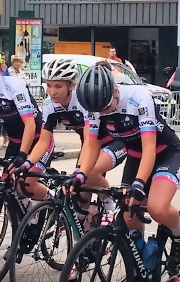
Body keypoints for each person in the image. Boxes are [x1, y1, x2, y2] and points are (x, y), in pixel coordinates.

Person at [69, 63, 180, 270]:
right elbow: (91, 145)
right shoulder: (95, 108)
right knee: (128, 214)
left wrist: (140, 184)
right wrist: (80, 174)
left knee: (156, 208)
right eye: (97, 111)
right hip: (135, 156)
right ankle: (142, 266)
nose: (102, 114)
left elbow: (149, 149)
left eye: (106, 108)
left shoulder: (138, 98)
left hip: (165, 153)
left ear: (115, 91)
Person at [35, 59, 123, 226]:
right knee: (81, 200)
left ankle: (108, 200)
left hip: (112, 142)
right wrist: (26, 163)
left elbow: (90, 139)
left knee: (89, 174)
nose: (52, 91)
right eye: (49, 85)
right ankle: (86, 240)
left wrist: (79, 171)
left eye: (58, 86)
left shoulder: (82, 100)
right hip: (89, 145)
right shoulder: (49, 105)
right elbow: (43, 141)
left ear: (71, 85)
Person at [0, 47, 52, 207]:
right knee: (9, 192)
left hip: (38, 139)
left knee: (24, 184)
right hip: (15, 140)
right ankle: (23, 225)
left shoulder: (15, 86)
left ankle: (53, 199)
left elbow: (30, 124)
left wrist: (22, 155)